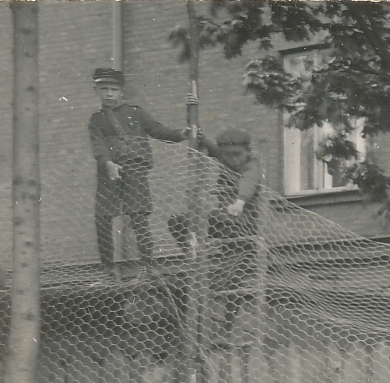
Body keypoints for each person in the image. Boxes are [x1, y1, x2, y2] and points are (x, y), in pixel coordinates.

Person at [87, 68, 193, 273]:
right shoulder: (96, 120)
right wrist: (108, 164)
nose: (109, 94)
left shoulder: (136, 112)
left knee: (138, 216)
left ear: (121, 92)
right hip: (109, 170)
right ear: (96, 91)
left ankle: (148, 265)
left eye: (114, 89)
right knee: (102, 217)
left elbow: (158, 130)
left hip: (135, 168)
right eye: (104, 89)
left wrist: (181, 133)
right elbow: (98, 145)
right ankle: (108, 269)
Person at [166, 127, 263, 250]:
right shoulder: (225, 160)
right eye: (228, 155)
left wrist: (240, 202)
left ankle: (208, 249)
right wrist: (202, 138)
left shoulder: (252, 165)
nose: (233, 159)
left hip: (244, 226)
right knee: (177, 222)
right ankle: (192, 254)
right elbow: (214, 150)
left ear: (247, 151)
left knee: (219, 223)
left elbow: (249, 181)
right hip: (224, 221)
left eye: (237, 154)